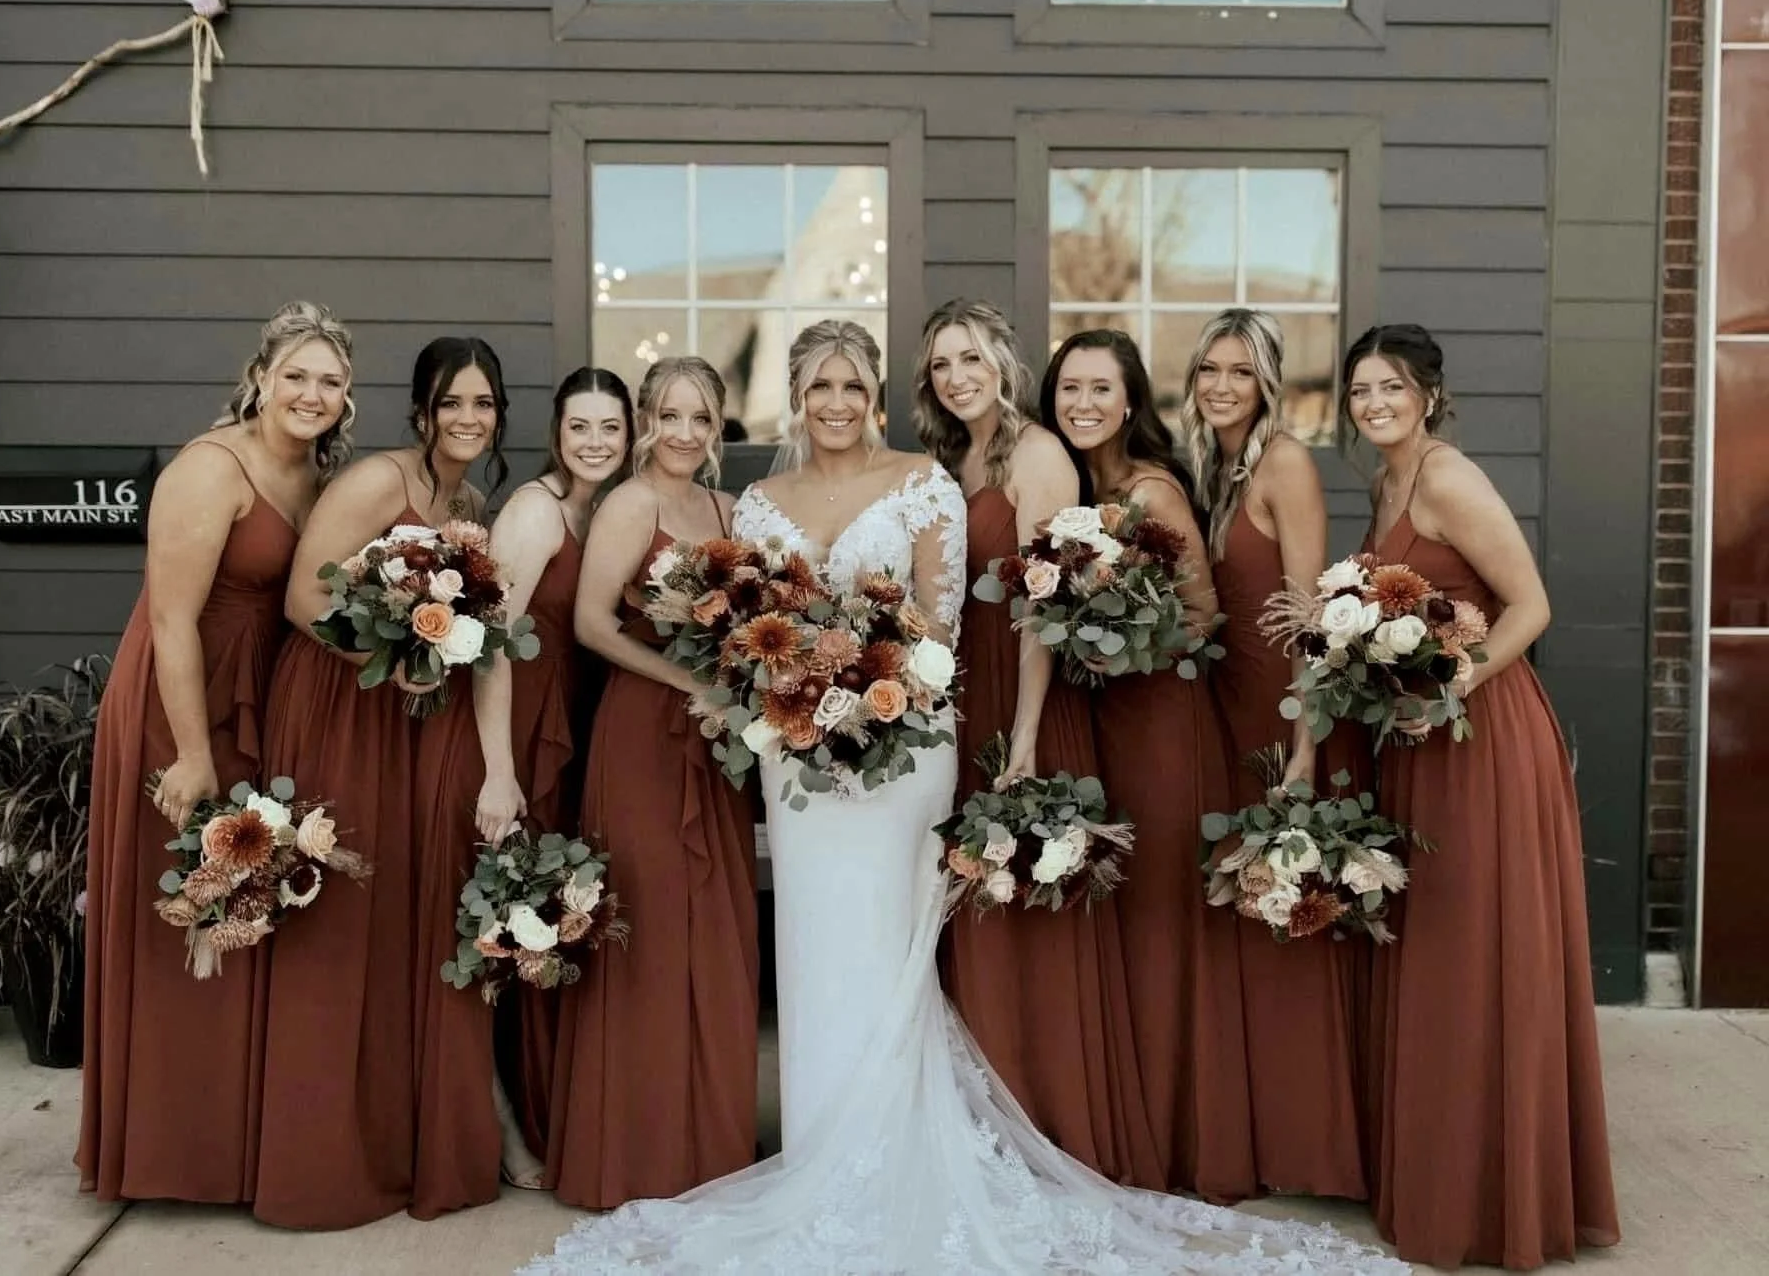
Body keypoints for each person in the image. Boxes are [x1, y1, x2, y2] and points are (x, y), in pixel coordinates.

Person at [520, 323, 1405, 1275]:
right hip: (795, 754)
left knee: (895, 941)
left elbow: (939, 627)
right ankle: (822, 1146)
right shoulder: (753, 504)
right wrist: (795, 696)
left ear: (874, 394)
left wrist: (871, 686)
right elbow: (749, 630)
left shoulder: (922, 481)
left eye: (852, 386)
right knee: (815, 943)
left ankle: (900, 1142)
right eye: (818, 387)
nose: (835, 404)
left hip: (906, 739)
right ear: (795, 395)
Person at [1347, 324, 1619, 1268]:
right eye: (1359, 390)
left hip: (1486, 738)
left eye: (1390, 387)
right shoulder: (1388, 482)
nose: (1374, 403)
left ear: (1427, 394)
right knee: (1443, 956)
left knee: (1482, 951)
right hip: (1426, 743)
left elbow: (1531, 605)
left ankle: (1502, 1194)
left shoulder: (1451, 478)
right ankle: (1443, 1173)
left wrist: (1448, 687)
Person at [79, 301, 352, 1205]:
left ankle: (234, 1145)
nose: (312, 394)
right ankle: (168, 1152)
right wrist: (192, 755)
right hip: (178, 699)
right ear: (262, 378)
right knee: (186, 911)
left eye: (331, 380)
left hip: (257, 697)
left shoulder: (317, 473)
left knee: (246, 908)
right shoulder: (211, 467)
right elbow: (168, 617)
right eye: (297, 376)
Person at [252, 337, 508, 1227]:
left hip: (403, 722)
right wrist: (384, 655)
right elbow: (300, 600)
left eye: (483, 404)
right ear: (422, 410)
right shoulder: (376, 481)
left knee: (390, 922)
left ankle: (389, 1140)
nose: (468, 419)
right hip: (335, 701)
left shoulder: (466, 501)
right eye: (453, 404)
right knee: (337, 919)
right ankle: (317, 1162)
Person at [916, 301, 1155, 1183]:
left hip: (1026, 708)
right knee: (973, 917)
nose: (958, 376)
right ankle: (982, 1131)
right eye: (942, 364)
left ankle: (1053, 1128)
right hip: (962, 701)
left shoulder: (1038, 452)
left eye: (971, 358)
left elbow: (1046, 611)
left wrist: (1022, 737)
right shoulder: (951, 457)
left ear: (1003, 363)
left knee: (1028, 912)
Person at [1044, 327, 1257, 1203]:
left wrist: (1128, 647)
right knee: (1122, 924)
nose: (1084, 404)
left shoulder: (1152, 490)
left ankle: (1181, 1142)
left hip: (1163, 722)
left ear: (1130, 400)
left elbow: (1206, 614)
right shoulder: (1072, 489)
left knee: (1166, 923)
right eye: (1069, 389)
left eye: (1101, 389)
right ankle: (1125, 1118)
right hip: (1100, 725)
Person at [541, 357, 760, 1211]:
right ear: (644, 420)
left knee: (716, 931)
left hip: (714, 747)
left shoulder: (730, 511)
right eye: (667, 414)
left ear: (717, 427)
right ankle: (632, 1152)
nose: (682, 431)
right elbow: (593, 624)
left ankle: (707, 1144)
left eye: (699, 417)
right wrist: (689, 685)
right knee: (649, 934)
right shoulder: (629, 504)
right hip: (642, 733)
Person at [1180, 309, 1368, 1200]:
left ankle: (1307, 1145)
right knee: (1244, 924)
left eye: (1239, 372)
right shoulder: (1216, 468)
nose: (1221, 385)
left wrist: (1304, 750)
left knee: (1286, 924)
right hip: (1222, 710)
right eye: (1209, 369)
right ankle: (1251, 1132)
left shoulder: (1286, 462)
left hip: (1277, 714)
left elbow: (1310, 622)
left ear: (1267, 383)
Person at [473, 367, 635, 1188]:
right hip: (520, 735)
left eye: (612, 427)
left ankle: (549, 1110)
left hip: (575, 729)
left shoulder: (606, 508)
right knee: (506, 930)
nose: (597, 442)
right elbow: (489, 646)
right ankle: (503, 1124)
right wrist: (499, 773)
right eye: (582, 427)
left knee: (547, 924)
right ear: (557, 432)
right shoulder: (537, 510)